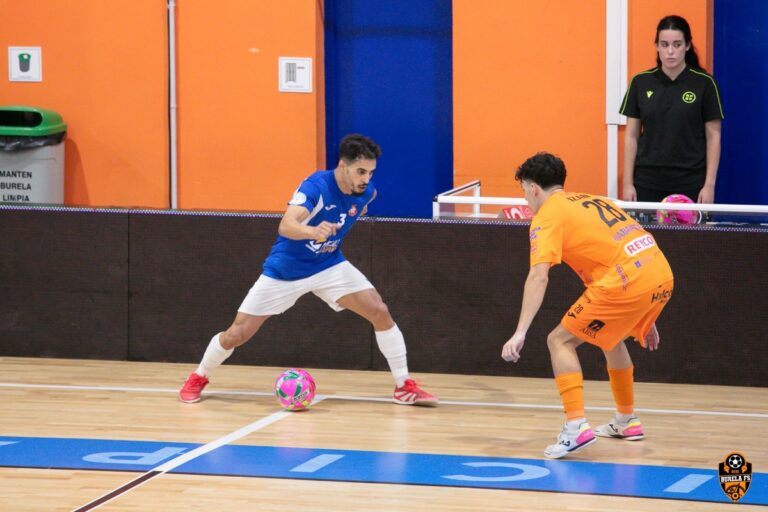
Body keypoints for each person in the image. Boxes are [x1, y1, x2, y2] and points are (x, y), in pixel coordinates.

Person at [179, 134, 438, 407]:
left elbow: (350, 215)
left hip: (329, 265)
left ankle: (403, 386)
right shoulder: (316, 187)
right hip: (285, 271)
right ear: (342, 165)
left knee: (379, 311)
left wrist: (329, 242)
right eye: (360, 171)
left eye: (371, 172)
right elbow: (286, 225)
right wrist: (313, 231)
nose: (366, 178)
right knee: (237, 334)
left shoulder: (367, 194)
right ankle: (198, 376)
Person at [501, 152, 674, 459]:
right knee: (612, 337)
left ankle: (576, 426)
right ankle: (626, 420)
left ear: (534, 189)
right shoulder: (594, 200)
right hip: (658, 273)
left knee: (559, 341)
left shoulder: (547, 216)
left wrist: (519, 332)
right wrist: (643, 309)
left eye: (524, 191)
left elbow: (538, 277)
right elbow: (626, 243)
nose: (526, 199)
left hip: (628, 281)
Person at [621, 15, 724, 204]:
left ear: (687, 45)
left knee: (689, 235)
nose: (670, 52)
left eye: (677, 45)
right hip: (646, 182)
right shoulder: (640, 82)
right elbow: (631, 136)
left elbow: (714, 138)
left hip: (691, 183)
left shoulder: (705, 83)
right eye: (664, 44)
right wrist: (627, 183)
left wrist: (709, 186)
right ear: (657, 46)